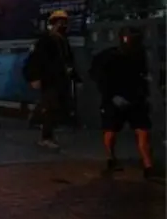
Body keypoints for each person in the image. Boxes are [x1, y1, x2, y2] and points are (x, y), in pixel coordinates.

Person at [89, 27, 155, 179]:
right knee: (110, 132)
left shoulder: (140, 55)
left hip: (135, 99)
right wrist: (111, 95)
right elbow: (98, 76)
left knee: (142, 131)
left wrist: (144, 92)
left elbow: (142, 76)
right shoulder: (108, 56)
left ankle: (148, 164)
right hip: (113, 99)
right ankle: (111, 158)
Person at [23, 10, 81, 149]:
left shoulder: (63, 41)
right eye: (60, 23)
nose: (63, 26)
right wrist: (34, 77)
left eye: (65, 23)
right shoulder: (45, 41)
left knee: (56, 106)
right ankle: (46, 137)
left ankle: (37, 117)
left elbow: (69, 62)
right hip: (49, 80)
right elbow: (34, 60)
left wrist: (76, 78)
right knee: (51, 108)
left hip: (61, 80)